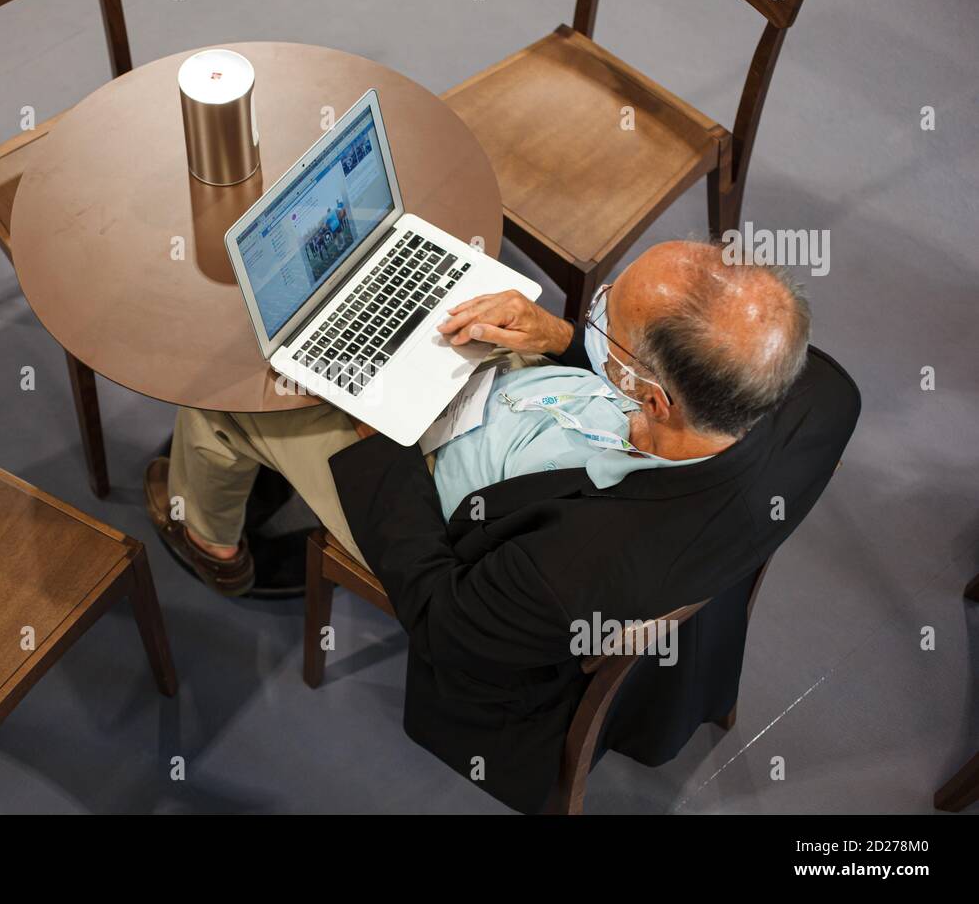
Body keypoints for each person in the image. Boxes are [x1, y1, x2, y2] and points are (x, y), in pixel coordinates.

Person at [145, 240, 859, 811]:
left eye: (608, 316)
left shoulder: (577, 568)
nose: (594, 310)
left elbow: (443, 620)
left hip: (433, 507)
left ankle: (211, 545)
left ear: (652, 395)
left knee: (224, 402)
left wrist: (375, 433)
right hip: (541, 415)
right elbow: (657, 380)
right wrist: (567, 340)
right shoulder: (819, 396)